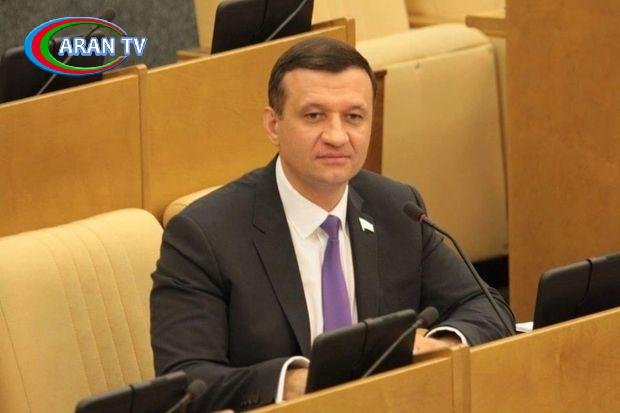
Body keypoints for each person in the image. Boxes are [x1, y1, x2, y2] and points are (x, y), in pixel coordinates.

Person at [150, 37, 514, 412]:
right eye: (314, 116)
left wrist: (440, 347)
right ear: (273, 125)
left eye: (354, 117)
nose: (337, 137)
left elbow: (486, 306)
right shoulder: (203, 235)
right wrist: (294, 383)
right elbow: (185, 379)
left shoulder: (397, 207)